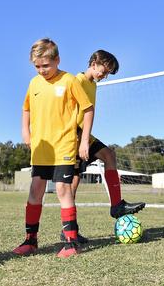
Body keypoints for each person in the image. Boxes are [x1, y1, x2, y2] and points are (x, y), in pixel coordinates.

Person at [13, 38, 94, 258]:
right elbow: (26, 108)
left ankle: (71, 243)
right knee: (35, 191)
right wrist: (25, 130)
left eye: (46, 65)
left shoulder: (69, 81)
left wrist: (84, 140)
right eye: (37, 66)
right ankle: (30, 241)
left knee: (62, 189)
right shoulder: (34, 83)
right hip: (41, 147)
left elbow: (87, 109)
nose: (41, 71)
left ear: (57, 60)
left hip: (64, 145)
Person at [68, 50, 145, 241]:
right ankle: (69, 229)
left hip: (84, 134)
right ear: (94, 63)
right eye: (104, 70)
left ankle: (116, 205)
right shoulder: (76, 81)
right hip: (72, 136)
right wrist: (80, 140)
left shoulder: (93, 85)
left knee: (109, 155)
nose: (105, 75)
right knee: (73, 183)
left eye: (108, 73)